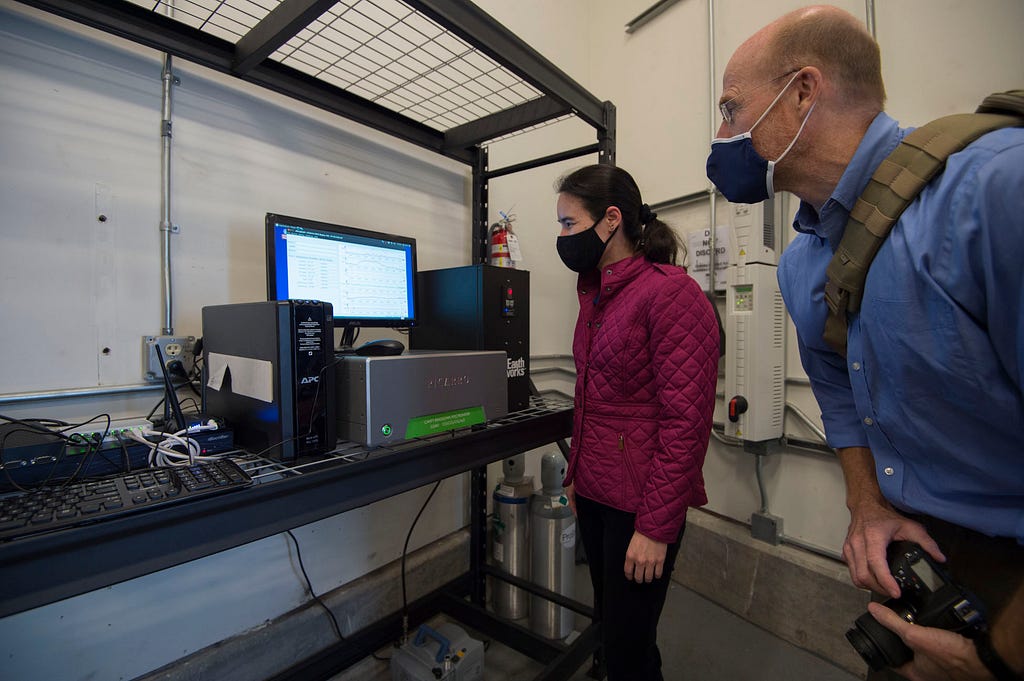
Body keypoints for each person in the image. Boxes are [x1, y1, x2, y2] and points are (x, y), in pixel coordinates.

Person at [707, 6, 1024, 681]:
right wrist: (867, 503)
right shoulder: (803, 263)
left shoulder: (995, 190)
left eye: (733, 108)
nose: (721, 133)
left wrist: (1000, 655)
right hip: (919, 560)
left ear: (802, 92)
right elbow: (841, 396)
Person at [555, 164, 719, 681]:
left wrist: (655, 526)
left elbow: (685, 422)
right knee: (612, 630)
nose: (561, 236)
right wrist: (577, 473)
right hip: (598, 492)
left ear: (610, 220)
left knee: (630, 649)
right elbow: (593, 399)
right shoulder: (596, 294)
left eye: (567, 223)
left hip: (641, 505)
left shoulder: (670, 294)